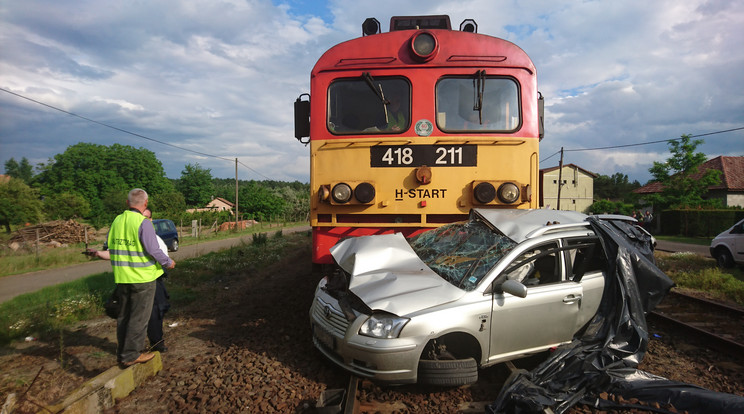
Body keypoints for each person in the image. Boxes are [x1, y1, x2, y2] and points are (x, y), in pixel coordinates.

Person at [102, 189, 175, 367]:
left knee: (124, 316)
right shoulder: (143, 222)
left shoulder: (117, 221)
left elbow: (111, 247)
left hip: (122, 277)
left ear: (127, 203)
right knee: (139, 318)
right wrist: (168, 262)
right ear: (145, 203)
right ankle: (131, 355)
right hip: (142, 278)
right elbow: (153, 249)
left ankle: (123, 353)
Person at [143, 208, 170, 353]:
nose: (144, 220)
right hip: (143, 279)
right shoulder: (148, 236)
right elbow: (156, 252)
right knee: (152, 312)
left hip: (153, 278)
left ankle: (156, 342)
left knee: (156, 311)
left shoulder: (154, 236)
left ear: (151, 219)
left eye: (147, 217)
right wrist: (168, 262)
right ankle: (155, 343)